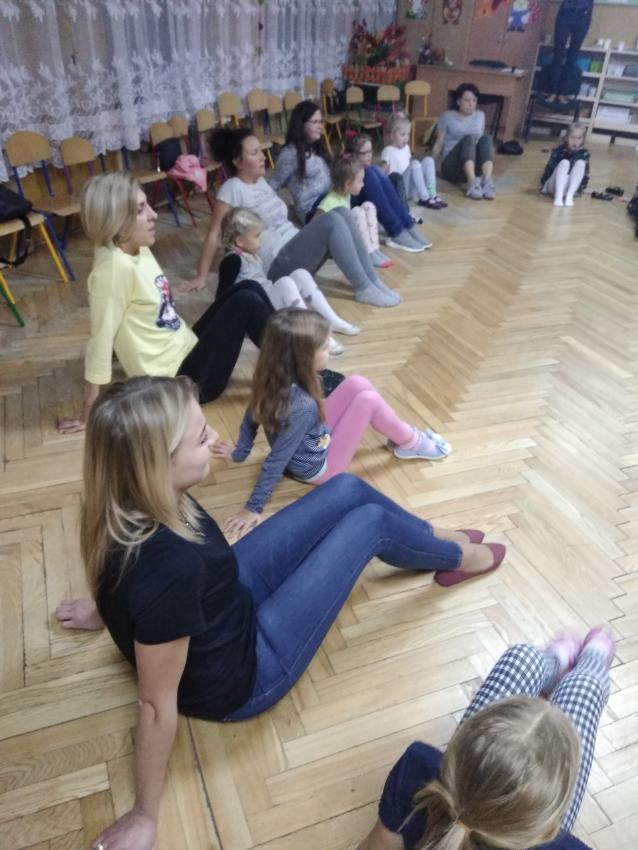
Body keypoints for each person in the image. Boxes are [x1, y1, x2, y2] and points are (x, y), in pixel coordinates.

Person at [56, 374, 507, 850]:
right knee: (370, 524)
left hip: (227, 595)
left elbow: (125, 581)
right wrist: (144, 815)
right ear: (154, 465)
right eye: (201, 437)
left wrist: (105, 611)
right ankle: (460, 558)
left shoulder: (123, 498)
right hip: (249, 669)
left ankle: (433, 538)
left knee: (346, 489)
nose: (214, 438)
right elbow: (153, 705)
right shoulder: (167, 572)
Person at [358, 628, 615, 850]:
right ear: (550, 830)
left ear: (457, 752)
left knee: (525, 659)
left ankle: (562, 664)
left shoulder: (417, 770)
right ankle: (589, 661)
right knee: (582, 687)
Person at [216, 309, 466, 537]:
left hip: (313, 436)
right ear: (303, 358)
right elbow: (277, 459)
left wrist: (240, 453)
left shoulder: (272, 378)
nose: (330, 350)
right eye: (325, 347)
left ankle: (404, 438)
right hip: (319, 468)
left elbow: (250, 418)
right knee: (367, 401)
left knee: (357, 383)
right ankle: (410, 442)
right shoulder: (303, 406)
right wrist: (253, 507)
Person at [57, 173, 273, 433]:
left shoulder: (135, 246)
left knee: (247, 288)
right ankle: (296, 370)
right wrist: (89, 410)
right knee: (247, 301)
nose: (154, 215)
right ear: (117, 221)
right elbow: (100, 340)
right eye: (140, 210)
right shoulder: (112, 270)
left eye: (147, 205)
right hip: (183, 383)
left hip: (186, 349)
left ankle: (294, 352)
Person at [182, 127, 401, 308]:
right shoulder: (231, 188)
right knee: (334, 220)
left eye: (260, 151)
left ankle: (372, 281)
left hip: (294, 250)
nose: (263, 157)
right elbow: (214, 234)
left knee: (341, 212)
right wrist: (201, 276)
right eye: (254, 153)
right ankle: (363, 287)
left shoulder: (261, 181)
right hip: (277, 265)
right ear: (238, 161)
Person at [217, 206, 360, 355]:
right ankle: (313, 334)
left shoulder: (249, 254)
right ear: (240, 241)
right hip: (256, 313)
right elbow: (222, 297)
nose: (261, 239)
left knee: (300, 274)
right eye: (256, 236)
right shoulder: (232, 260)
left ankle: (331, 319)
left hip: (265, 299)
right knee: (285, 283)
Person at [347, 133, 432, 253]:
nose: (369, 155)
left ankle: (407, 224)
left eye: (370, 151)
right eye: (365, 153)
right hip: (352, 208)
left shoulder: (367, 168)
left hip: (362, 201)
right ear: (353, 154)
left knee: (375, 170)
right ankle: (395, 231)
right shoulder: (348, 169)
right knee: (369, 173)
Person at [317, 155, 394, 269]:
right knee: (357, 212)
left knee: (369, 206)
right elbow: (314, 226)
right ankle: (367, 254)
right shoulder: (329, 202)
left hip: (348, 235)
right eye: (360, 181)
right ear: (348, 184)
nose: (363, 184)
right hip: (337, 243)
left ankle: (373, 250)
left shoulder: (345, 194)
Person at [267, 99, 333, 223]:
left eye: (321, 122)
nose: (320, 126)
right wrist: (278, 211)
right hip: (312, 210)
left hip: (329, 200)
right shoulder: (290, 154)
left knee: (365, 181)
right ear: (301, 124)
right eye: (315, 122)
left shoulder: (316, 146)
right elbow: (273, 186)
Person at [431, 83, 496, 201]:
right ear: (458, 101)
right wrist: (429, 166)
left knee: (486, 138)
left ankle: (487, 182)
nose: (471, 104)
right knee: (469, 138)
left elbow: (481, 143)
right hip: (452, 167)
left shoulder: (480, 115)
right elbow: (439, 142)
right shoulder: (447, 116)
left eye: (474, 100)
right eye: (467, 100)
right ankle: (472, 183)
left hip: (472, 166)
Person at [381, 115, 447, 210]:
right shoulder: (388, 150)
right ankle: (424, 198)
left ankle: (432, 194)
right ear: (392, 136)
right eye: (402, 135)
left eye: (408, 134)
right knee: (414, 163)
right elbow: (382, 173)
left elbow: (409, 168)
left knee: (429, 160)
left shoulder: (407, 148)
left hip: (412, 189)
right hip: (400, 190)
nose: (406, 138)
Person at [546, 0, 594, 103]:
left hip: (584, 15)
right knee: (558, 53)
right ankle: (553, 91)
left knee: (573, 55)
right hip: (566, 13)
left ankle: (562, 92)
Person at [540, 122, 590, 207]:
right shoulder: (558, 151)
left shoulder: (584, 153)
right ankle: (558, 196)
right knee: (564, 162)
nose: (575, 141)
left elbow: (585, 175)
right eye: (572, 137)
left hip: (569, 188)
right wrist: (543, 186)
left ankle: (569, 196)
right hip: (554, 186)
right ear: (567, 138)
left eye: (579, 138)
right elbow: (549, 171)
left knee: (581, 163)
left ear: (583, 140)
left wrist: (582, 188)